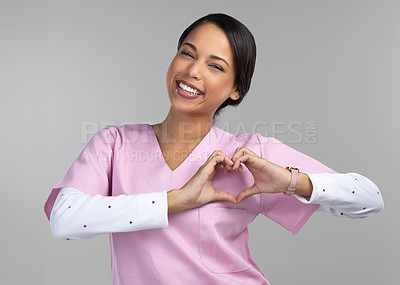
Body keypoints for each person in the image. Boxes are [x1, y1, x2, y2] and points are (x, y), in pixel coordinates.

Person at [44, 13, 384, 285]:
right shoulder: (115, 143)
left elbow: (368, 200)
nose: (192, 71)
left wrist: (290, 181)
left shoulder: (247, 155)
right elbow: (66, 221)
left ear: (236, 89)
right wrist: (177, 199)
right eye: (187, 53)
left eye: (215, 66)